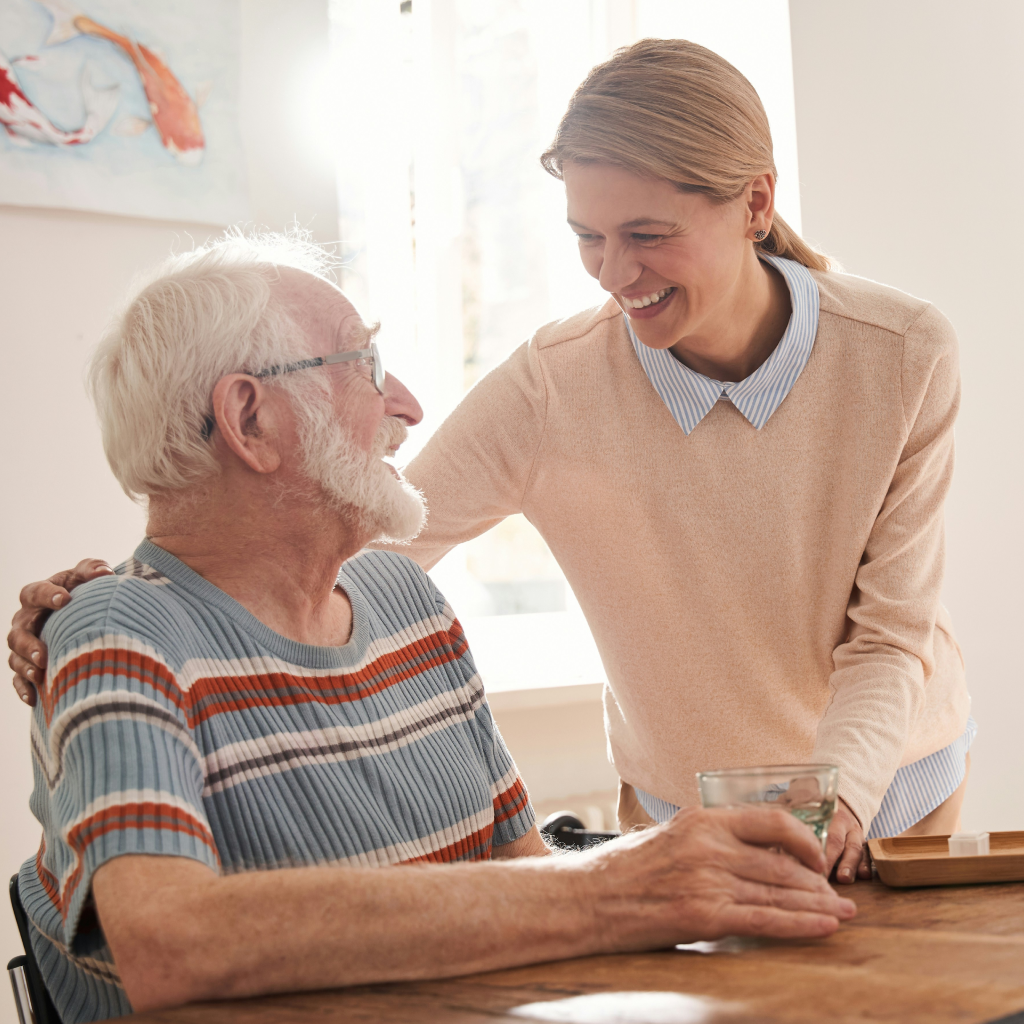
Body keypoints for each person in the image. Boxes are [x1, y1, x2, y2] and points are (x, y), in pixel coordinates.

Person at [9, 38, 972, 885]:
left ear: (755, 203)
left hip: (892, 785)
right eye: (588, 238)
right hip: (687, 811)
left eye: (647, 236)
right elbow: (348, 535)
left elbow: (889, 638)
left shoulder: (901, 353)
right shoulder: (553, 385)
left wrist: (836, 803)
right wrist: (125, 597)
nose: (613, 274)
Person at [10, 236, 854, 1023]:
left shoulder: (403, 597)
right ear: (250, 419)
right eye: (366, 365)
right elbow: (170, 941)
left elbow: (522, 874)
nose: (408, 405)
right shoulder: (116, 632)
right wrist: (620, 886)